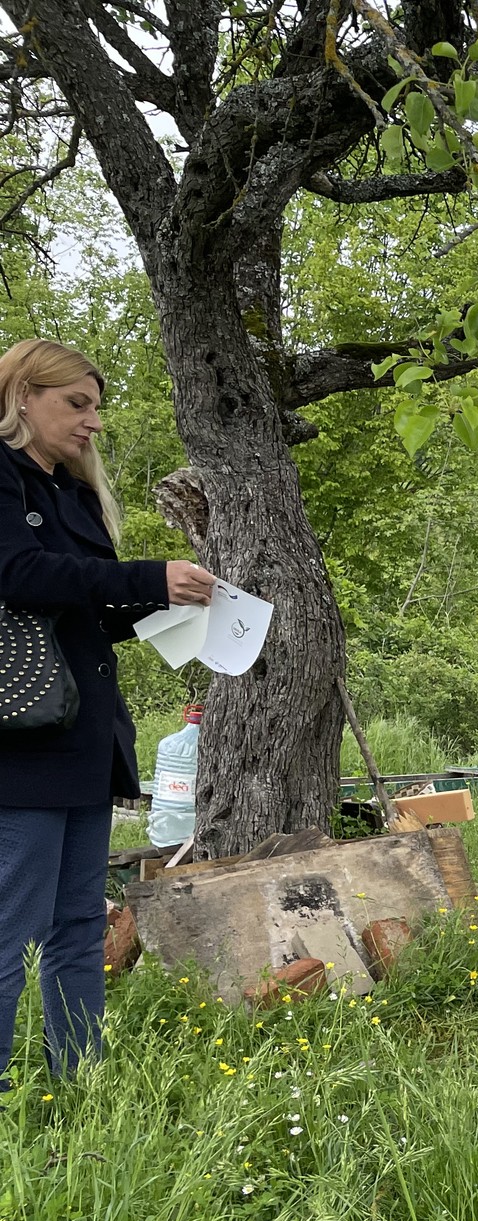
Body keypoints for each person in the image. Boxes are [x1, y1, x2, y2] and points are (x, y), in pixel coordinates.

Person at [0, 338, 216, 1091]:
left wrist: (163, 604)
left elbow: (86, 611)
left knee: (79, 925)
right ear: (24, 395)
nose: (93, 423)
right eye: (76, 404)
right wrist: (146, 574)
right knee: (10, 929)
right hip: (19, 740)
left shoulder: (75, 494)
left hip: (86, 733)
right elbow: (19, 575)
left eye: (97, 408)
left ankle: (79, 1084)